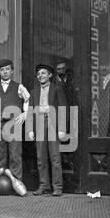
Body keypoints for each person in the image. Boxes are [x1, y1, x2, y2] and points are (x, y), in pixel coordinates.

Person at [0, 58, 30, 187]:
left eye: (7, 69)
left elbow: (29, 100)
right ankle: (0, 185)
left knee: (15, 154)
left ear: (12, 71)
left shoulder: (19, 87)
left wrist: (24, 114)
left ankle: (17, 185)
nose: (5, 72)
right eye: (2, 70)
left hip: (14, 124)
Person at [27, 64, 67, 197]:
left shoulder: (57, 89)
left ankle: (57, 187)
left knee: (55, 157)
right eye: (38, 74)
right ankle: (44, 185)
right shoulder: (34, 91)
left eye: (43, 73)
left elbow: (62, 108)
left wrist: (61, 128)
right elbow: (31, 111)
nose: (40, 76)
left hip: (53, 124)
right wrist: (30, 129)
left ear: (50, 75)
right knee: (41, 158)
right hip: (39, 124)